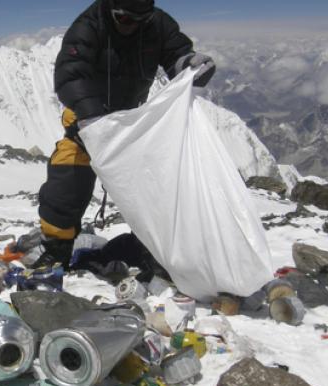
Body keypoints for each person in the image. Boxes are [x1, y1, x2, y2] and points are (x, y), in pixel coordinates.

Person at [33, 0, 216, 270]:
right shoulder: (88, 26)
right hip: (86, 125)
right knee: (67, 182)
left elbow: (175, 54)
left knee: (154, 186)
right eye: (126, 19)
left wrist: (189, 65)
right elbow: (70, 75)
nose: (134, 26)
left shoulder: (158, 24)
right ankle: (56, 251)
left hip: (132, 125)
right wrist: (93, 118)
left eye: (142, 20)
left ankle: (152, 250)